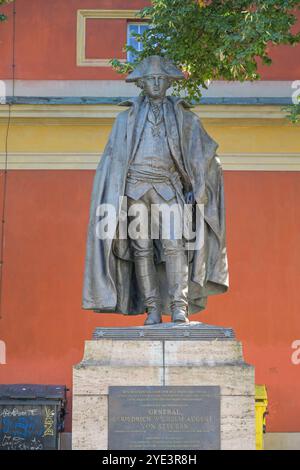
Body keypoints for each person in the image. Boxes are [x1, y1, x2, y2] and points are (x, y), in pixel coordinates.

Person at [82, 55, 229, 325]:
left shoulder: (185, 119)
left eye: (162, 79)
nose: (157, 83)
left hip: (168, 187)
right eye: (151, 79)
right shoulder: (124, 121)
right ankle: (151, 309)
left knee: (175, 246)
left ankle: (178, 306)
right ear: (141, 84)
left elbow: (205, 152)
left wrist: (203, 178)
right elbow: (110, 162)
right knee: (142, 250)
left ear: (169, 83)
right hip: (134, 190)